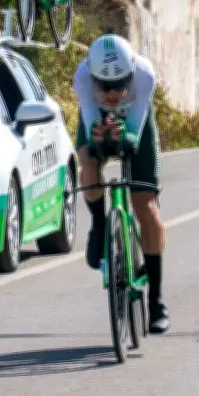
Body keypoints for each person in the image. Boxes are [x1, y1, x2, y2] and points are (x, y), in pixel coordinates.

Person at [73, 34, 170, 334]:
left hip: (136, 120)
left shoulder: (144, 75)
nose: (113, 93)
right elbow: (90, 122)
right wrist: (97, 139)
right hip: (98, 118)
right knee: (88, 161)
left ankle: (156, 301)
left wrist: (126, 139)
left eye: (119, 84)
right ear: (93, 78)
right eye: (105, 85)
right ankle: (100, 225)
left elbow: (137, 124)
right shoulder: (82, 78)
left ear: (131, 74)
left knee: (145, 205)